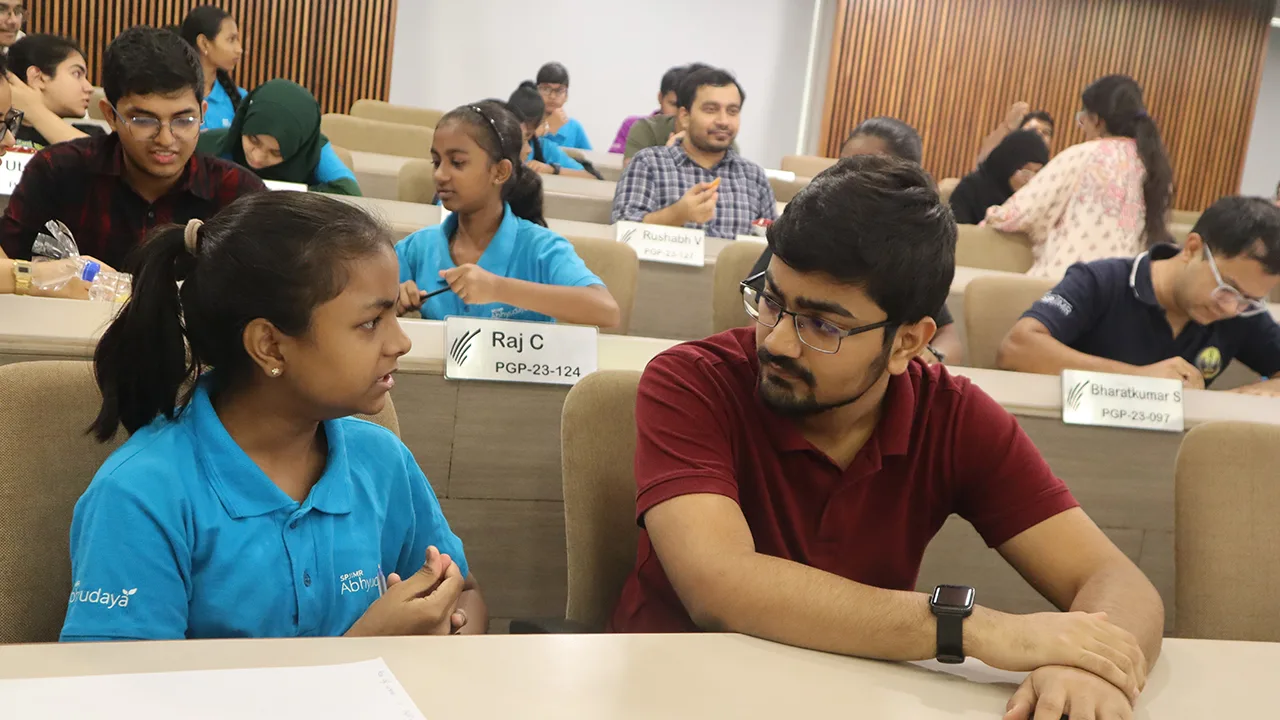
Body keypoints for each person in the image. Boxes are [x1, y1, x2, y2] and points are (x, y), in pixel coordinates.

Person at [611, 155, 1164, 720]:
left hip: (845, 697)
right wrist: (969, 627)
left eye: (822, 325)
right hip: (675, 693)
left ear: (907, 343)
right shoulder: (691, 381)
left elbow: (1117, 580)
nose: (776, 341)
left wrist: (1087, 664)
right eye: (771, 301)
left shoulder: (950, 417)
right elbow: (720, 584)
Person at [61, 191, 487, 641]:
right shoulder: (141, 493)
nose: (401, 343)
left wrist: (450, 632)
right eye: (370, 323)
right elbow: (122, 697)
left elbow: (465, 592)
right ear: (269, 345)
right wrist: (362, 649)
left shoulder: (382, 460)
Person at [0, 27, 266, 270]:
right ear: (110, 115)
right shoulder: (57, 173)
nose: (165, 139)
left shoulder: (239, 196)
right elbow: (8, 265)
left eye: (184, 120)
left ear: (202, 112)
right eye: (144, 121)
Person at [998, 196, 1280, 396]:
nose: (1231, 308)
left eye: (1247, 300)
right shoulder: (1102, 281)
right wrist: (1137, 378)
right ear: (1192, 249)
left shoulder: (1240, 312)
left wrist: (1259, 391)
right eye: (1226, 289)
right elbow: (1017, 348)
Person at [750, 116, 964, 365]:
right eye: (843, 167)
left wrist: (930, 356)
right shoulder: (803, 233)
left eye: (867, 173)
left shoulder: (903, 254)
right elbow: (759, 323)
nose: (847, 181)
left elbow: (948, 336)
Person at [396, 101, 620, 327]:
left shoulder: (541, 248)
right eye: (436, 162)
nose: (440, 175)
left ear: (500, 171)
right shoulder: (417, 248)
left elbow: (606, 310)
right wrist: (392, 302)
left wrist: (498, 288)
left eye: (457, 163)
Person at [983, 75, 1173, 279]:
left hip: (1069, 286)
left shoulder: (1083, 155)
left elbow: (1021, 212)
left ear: (1097, 120)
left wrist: (991, 216)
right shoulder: (1154, 165)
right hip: (1125, 291)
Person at [612, 67, 776, 240]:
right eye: (711, 110)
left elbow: (776, 245)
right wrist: (677, 214)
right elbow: (622, 234)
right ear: (684, 116)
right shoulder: (649, 164)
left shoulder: (753, 177)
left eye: (732, 111)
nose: (723, 121)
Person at [197, 79, 361, 195]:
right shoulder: (212, 144)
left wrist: (283, 195)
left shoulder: (311, 148)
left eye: (275, 152)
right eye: (253, 140)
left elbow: (350, 193)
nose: (257, 157)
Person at [5, 34, 101, 149]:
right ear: (37, 78)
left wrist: (33, 110)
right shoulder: (4, 132)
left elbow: (97, 160)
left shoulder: (93, 135)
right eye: (76, 74)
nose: (89, 88)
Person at [949, 130, 1050, 225]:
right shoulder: (971, 188)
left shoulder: (1036, 201)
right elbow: (957, 234)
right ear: (1008, 164)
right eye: (1025, 170)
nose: (1029, 179)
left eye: (1037, 173)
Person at [506, 81, 593, 179]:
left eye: (527, 135)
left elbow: (590, 176)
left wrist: (552, 169)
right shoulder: (497, 146)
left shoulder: (543, 146)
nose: (552, 96)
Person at [181, 5, 245, 131]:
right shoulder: (172, 95)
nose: (239, 49)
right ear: (204, 43)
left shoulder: (241, 98)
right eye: (231, 39)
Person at [609, 64, 684, 154]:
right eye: (674, 104)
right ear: (660, 98)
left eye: (685, 107)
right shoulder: (631, 125)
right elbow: (614, 162)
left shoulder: (697, 137)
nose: (678, 113)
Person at [977, 101, 1055, 164]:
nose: (1039, 135)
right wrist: (1008, 128)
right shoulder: (1004, 165)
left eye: (1045, 132)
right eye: (1033, 130)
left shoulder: (1052, 171)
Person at [535, 62, 591, 151]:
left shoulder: (574, 127)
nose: (552, 96)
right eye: (546, 89)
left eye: (559, 90)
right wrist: (547, 127)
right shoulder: (526, 123)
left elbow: (590, 161)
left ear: (566, 96)